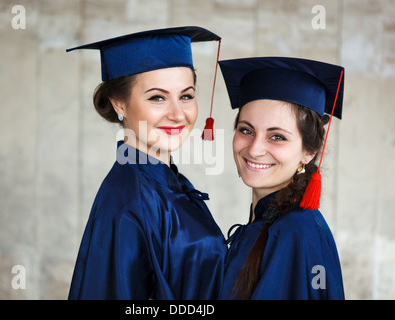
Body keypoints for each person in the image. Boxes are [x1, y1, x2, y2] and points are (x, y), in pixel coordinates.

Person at [65, 26, 227, 299]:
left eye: (186, 96)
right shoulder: (131, 197)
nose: (177, 114)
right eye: (157, 97)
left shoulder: (162, 181)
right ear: (119, 104)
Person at [218, 57, 345, 300]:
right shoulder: (270, 221)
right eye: (246, 130)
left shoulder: (296, 232)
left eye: (277, 137)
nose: (254, 149)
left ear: (308, 152)